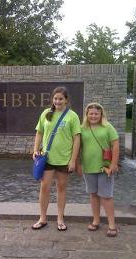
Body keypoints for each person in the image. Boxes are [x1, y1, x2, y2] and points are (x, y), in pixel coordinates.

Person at [32, 87, 81, 231]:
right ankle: (43, 218)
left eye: (60, 98)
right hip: (47, 158)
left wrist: (73, 160)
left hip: (64, 159)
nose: (57, 101)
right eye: (55, 98)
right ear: (52, 99)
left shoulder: (72, 116)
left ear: (66, 100)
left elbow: (77, 139)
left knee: (61, 188)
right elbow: (39, 132)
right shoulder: (46, 113)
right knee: (44, 187)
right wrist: (35, 149)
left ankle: (60, 218)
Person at [77, 102, 119, 237]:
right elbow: (78, 147)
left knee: (106, 196)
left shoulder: (108, 127)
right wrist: (78, 164)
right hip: (88, 167)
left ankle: (112, 224)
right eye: (91, 114)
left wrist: (113, 164)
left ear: (101, 114)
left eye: (96, 113)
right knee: (93, 195)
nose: (93, 116)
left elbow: (115, 146)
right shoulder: (82, 128)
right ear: (86, 115)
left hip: (105, 167)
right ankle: (96, 220)